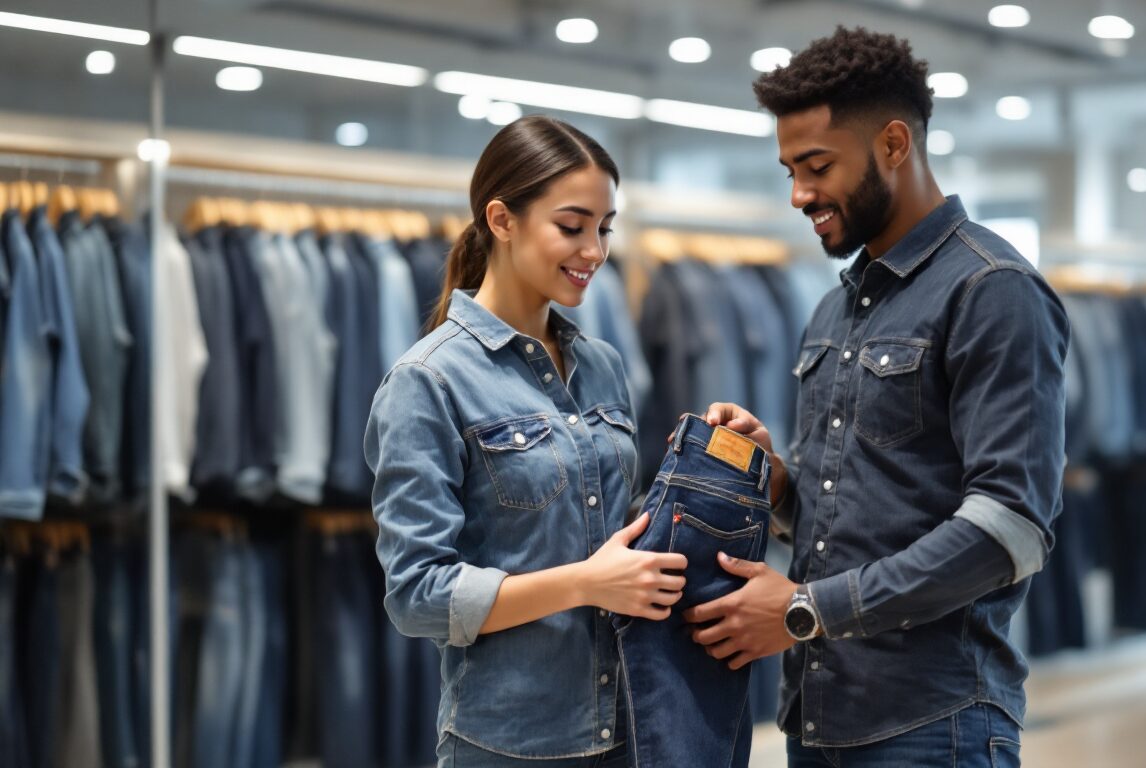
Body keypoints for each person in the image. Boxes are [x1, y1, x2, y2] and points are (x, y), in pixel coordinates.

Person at [682, 26, 1070, 767]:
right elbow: (856, 515)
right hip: (821, 718)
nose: (799, 194)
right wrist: (776, 481)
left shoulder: (993, 290)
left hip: (934, 725)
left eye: (817, 166)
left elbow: (1011, 526)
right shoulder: (836, 310)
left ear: (894, 144)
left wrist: (802, 610)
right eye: (789, 169)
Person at [364, 115, 687, 767]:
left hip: (631, 729)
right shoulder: (428, 382)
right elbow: (417, 594)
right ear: (502, 219)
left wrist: (714, 474)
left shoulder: (603, 366)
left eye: (604, 228)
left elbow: (620, 533)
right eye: (572, 226)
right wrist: (584, 585)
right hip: (509, 745)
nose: (594, 251)